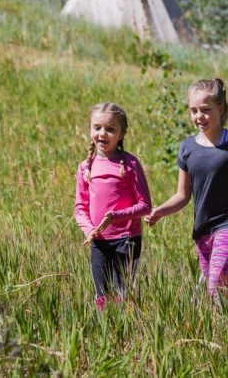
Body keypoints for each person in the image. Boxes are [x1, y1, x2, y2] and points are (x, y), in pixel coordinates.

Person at [146, 78, 228, 301]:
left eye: (206, 110)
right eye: (194, 111)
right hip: (201, 230)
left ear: (221, 108)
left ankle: (227, 328)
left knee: (216, 282)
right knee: (215, 288)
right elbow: (182, 195)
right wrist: (160, 210)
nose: (199, 117)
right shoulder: (187, 147)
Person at [74, 102, 152, 310]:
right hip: (99, 241)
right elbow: (80, 208)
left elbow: (145, 206)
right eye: (97, 127)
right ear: (90, 129)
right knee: (101, 295)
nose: (103, 134)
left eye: (110, 129)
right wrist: (89, 230)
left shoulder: (130, 164)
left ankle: (126, 334)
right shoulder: (85, 167)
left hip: (127, 240)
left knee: (122, 295)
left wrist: (115, 216)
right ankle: (105, 333)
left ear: (121, 133)